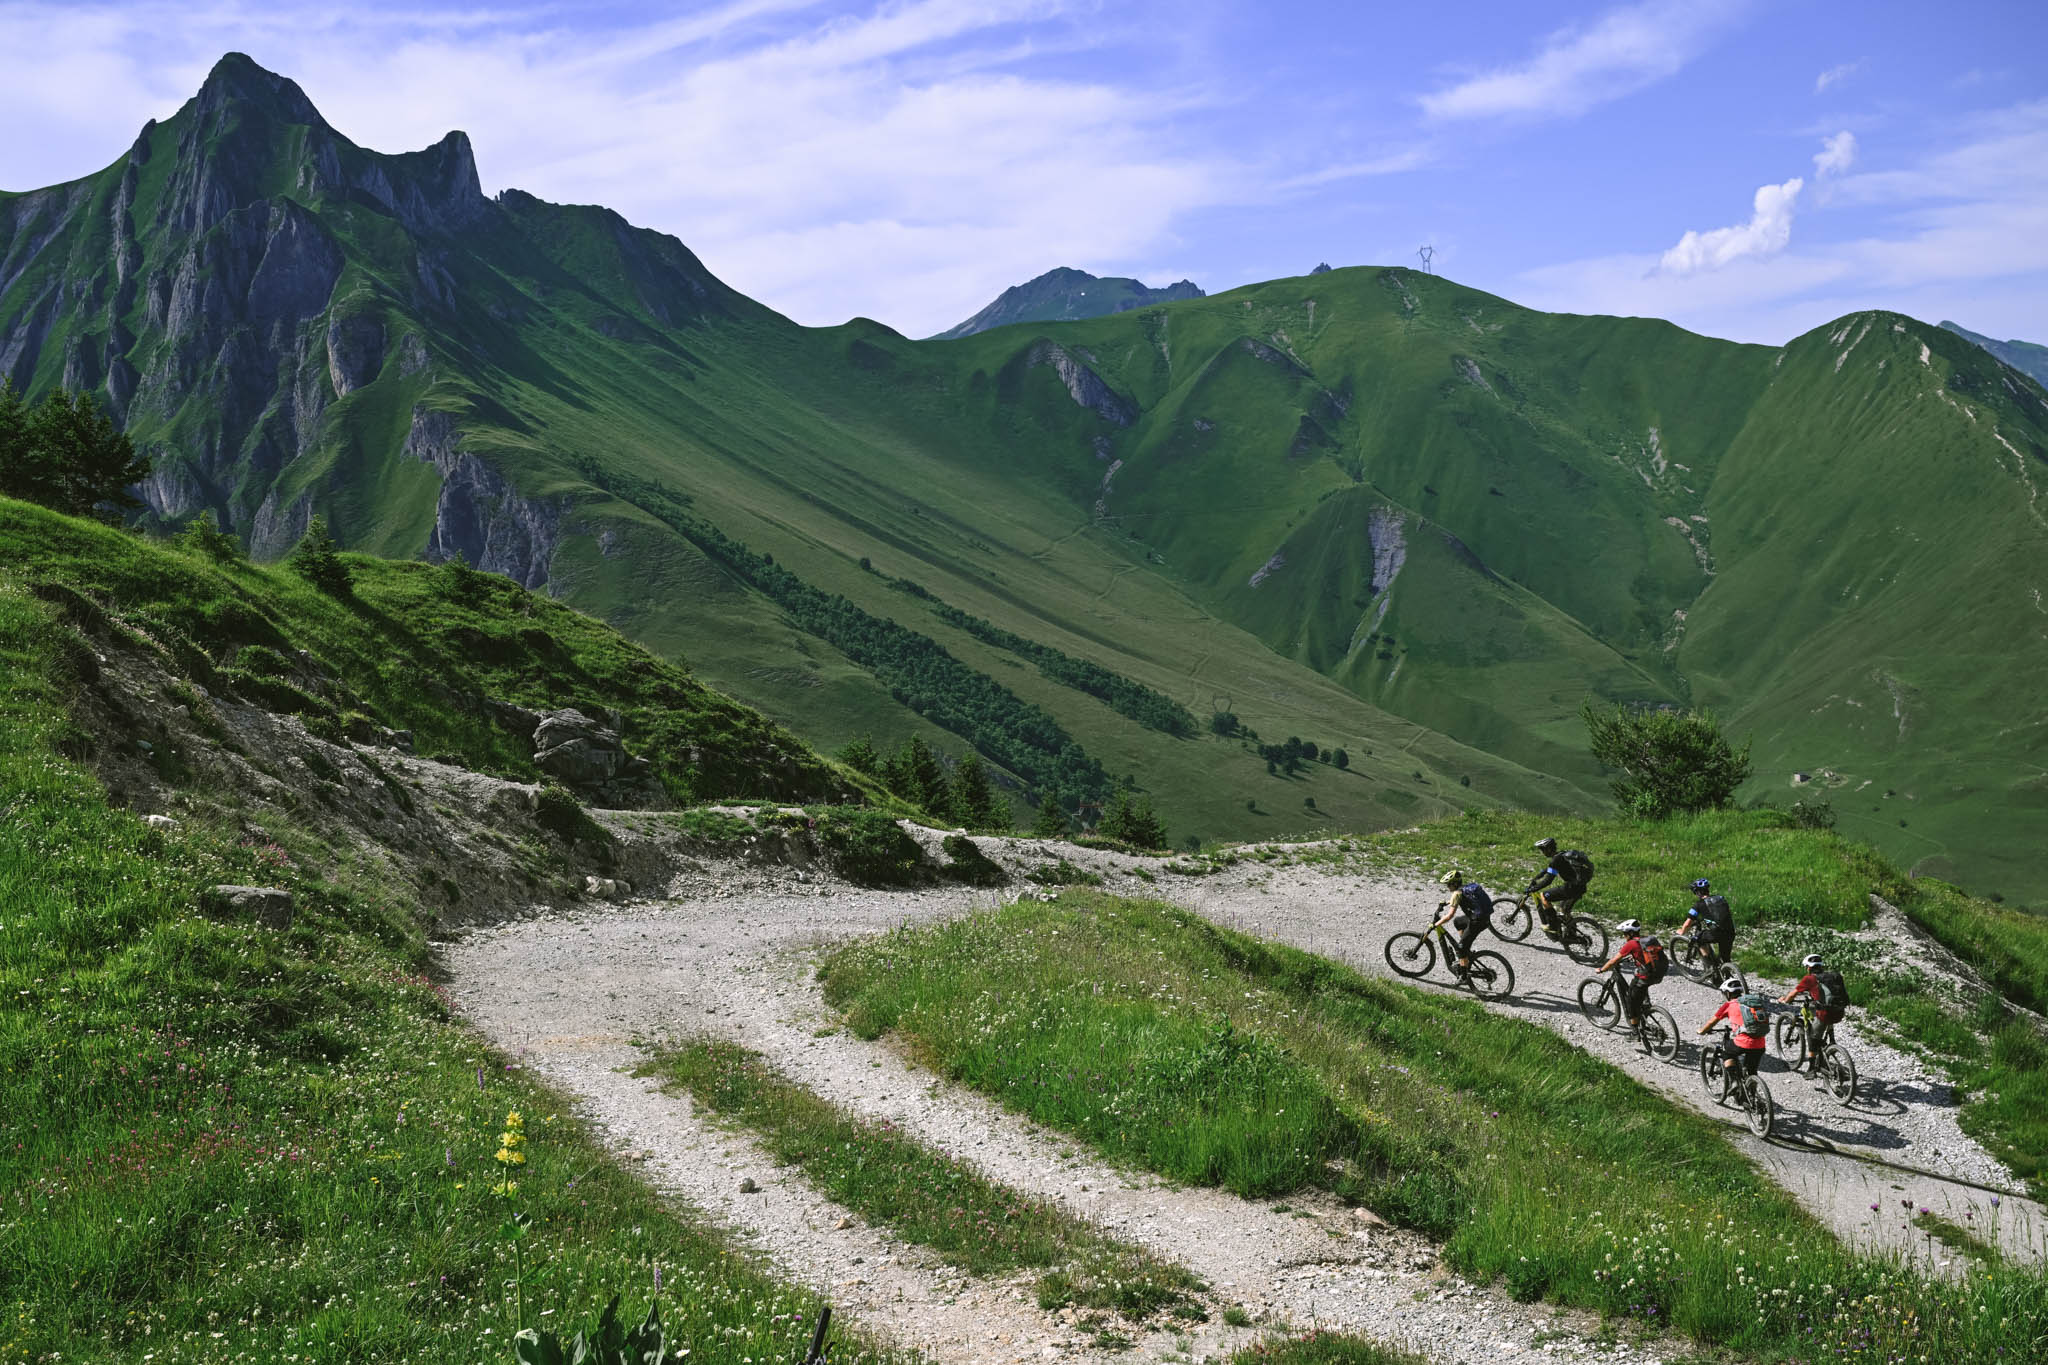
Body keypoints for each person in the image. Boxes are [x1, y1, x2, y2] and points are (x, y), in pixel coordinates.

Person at [1778, 954, 1849, 1068]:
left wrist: (1785, 1000)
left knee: (1813, 1039)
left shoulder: (1809, 979)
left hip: (1824, 1014)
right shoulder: (1835, 976)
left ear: (1808, 968)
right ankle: (1831, 1044)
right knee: (1823, 1018)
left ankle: (1811, 1069)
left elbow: (1793, 994)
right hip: (1840, 1012)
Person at [1697, 976, 1770, 1086]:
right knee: (1751, 1070)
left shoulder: (1729, 1005)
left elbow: (1712, 1022)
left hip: (1743, 1042)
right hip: (1760, 1043)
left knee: (1726, 1052)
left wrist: (1702, 1031)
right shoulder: (1752, 1003)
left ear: (1728, 993)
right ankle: (1753, 1091)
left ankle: (1734, 1080)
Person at [1595, 919, 1664, 1024]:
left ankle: (1635, 1029)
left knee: (1630, 1002)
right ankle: (1645, 1009)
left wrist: (1602, 969)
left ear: (1631, 933)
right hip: (1658, 973)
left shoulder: (1631, 944)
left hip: (1645, 976)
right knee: (1640, 993)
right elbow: (1644, 955)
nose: (1624, 936)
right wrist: (1634, 957)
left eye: (1625, 934)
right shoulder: (1645, 940)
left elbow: (1614, 960)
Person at [1525, 836, 1595, 939]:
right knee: (1564, 909)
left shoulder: (1555, 860)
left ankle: (1553, 927)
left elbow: (1548, 881)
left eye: (1543, 850)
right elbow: (1549, 869)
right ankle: (1572, 935)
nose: (1542, 852)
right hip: (1581, 887)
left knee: (1544, 896)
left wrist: (1533, 889)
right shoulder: (1562, 855)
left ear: (1548, 849)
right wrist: (1538, 876)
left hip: (1571, 888)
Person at [1431, 869, 1493, 978]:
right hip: (1483, 918)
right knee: (1458, 922)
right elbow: (1458, 899)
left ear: (1454, 884)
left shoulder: (1456, 894)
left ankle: (1463, 976)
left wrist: (1435, 925)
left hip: (1478, 922)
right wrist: (1447, 903)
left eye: (1448, 884)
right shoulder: (1464, 889)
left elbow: (1449, 916)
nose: (1447, 887)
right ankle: (1465, 948)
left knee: (1460, 949)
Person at [1672, 878, 1735, 977]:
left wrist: (1682, 931)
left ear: (1697, 892)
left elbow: (1688, 924)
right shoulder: (1721, 898)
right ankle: (1728, 975)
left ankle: (1710, 967)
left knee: (1698, 940)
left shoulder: (1698, 905)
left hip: (1716, 933)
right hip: (1730, 932)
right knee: (1725, 958)